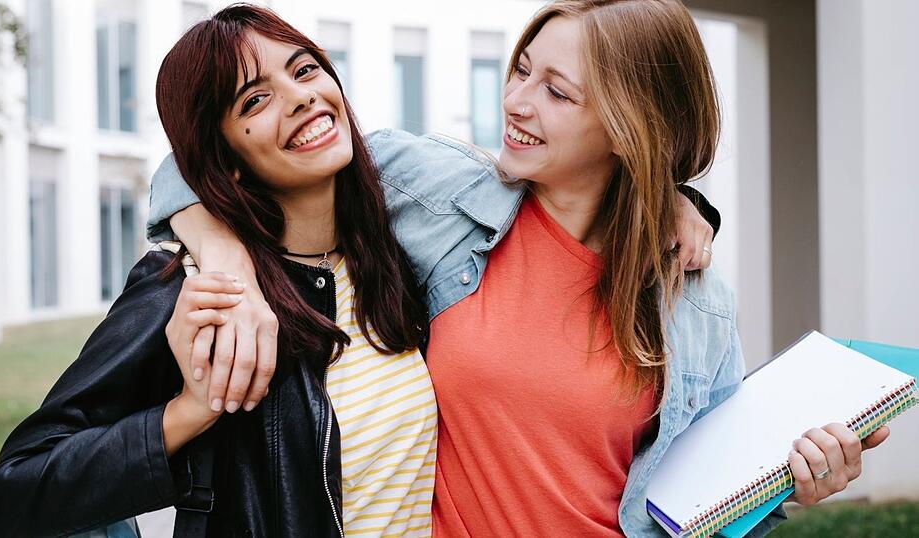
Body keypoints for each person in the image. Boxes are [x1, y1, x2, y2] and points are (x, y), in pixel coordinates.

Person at [147, 1, 891, 536]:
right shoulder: (437, 190)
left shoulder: (695, 300)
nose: (515, 102)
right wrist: (228, 261)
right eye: (523, 70)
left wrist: (791, 486)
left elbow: (705, 499)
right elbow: (199, 159)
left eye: (556, 92)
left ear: (631, 129)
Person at [0, 5, 437, 537]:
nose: (300, 96)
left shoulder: (396, 256)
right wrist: (190, 411)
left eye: (305, 69)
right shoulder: (198, 291)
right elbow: (9, 496)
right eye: (255, 100)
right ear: (225, 159)